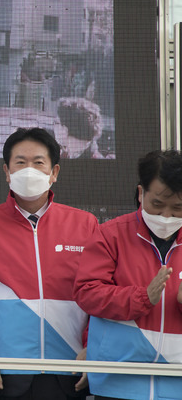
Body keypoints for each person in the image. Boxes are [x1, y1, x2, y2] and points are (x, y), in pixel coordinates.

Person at [0, 127, 98, 400]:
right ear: (7, 172)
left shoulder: (85, 224)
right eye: (20, 162)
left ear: (54, 172)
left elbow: (99, 295)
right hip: (7, 372)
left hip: (70, 368)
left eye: (38, 162)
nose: (28, 170)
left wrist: (95, 349)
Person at [73, 150, 182, 400]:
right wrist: (142, 297)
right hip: (118, 378)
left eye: (177, 208)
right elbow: (86, 293)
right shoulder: (109, 235)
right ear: (141, 193)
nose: (166, 216)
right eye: (157, 204)